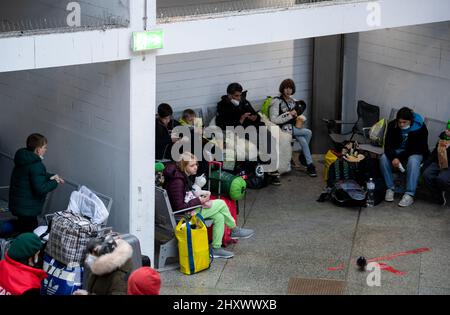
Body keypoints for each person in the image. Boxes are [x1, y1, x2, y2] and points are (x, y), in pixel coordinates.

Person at [163, 152, 254, 259]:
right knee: (221, 203)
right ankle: (234, 230)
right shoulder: (178, 181)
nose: (196, 167)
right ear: (183, 166)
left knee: (219, 216)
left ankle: (216, 249)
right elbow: (180, 207)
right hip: (183, 215)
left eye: (196, 164)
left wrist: (199, 196)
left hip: (186, 210)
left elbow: (186, 195)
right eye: (192, 165)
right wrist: (200, 201)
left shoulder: (179, 176)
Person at [9, 133, 64, 233]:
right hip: (27, 209)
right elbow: (41, 189)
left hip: (18, 204)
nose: (45, 150)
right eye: (44, 147)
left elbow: (35, 175)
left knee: (21, 225)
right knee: (30, 230)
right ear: (38, 149)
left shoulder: (23, 158)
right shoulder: (36, 165)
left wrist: (51, 176)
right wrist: (55, 182)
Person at [380, 107, 429, 207]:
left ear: (410, 121)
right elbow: (388, 145)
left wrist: (399, 157)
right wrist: (394, 157)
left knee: (413, 161)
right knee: (384, 158)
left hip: (416, 151)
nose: (401, 125)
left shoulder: (420, 127)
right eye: (400, 122)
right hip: (398, 151)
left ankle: (409, 194)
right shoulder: (393, 125)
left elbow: (419, 147)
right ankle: (390, 188)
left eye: (404, 122)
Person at [269, 79, 317, 177]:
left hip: (292, 128)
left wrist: (299, 118)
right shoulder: (276, 101)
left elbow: (297, 113)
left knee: (304, 139)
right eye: (286, 88)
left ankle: (307, 162)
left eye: (290, 88)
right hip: (282, 129)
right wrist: (289, 115)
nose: (288, 90)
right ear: (282, 88)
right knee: (307, 133)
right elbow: (273, 119)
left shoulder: (293, 101)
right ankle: (307, 162)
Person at [423, 120, 450, 206]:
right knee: (426, 175)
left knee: (442, 179)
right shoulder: (443, 137)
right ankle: (438, 195)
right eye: (447, 129)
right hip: (438, 161)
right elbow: (435, 153)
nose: (447, 131)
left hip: (449, 165)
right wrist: (425, 164)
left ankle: (444, 192)